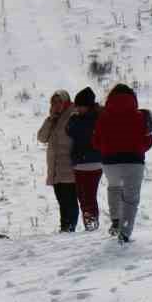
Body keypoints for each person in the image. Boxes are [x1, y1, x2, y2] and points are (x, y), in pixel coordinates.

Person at [91, 83, 152, 243]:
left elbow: (96, 142)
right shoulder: (141, 116)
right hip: (134, 161)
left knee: (114, 187)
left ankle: (116, 220)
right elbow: (148, 141)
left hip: (110, 162)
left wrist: (108, 148)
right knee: (130, 198)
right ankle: (124, 231)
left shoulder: (103, 116)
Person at [37, 90, 78, 232]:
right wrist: (51, 119)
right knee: (62, 201)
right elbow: (42, 138)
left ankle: (69, 228)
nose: (56, 105)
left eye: (59, 101)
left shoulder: (73, 115)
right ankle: (65, 228)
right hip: (56, 169)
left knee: (70, 201)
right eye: (53, 102)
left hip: (70, 167)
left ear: (66, 101)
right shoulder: (54, 119)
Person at [65, 87, 103, 231]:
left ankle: (91, 222)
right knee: (84, 196)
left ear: (87, 105)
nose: (78, 109)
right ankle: (90, 222)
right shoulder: (97, 116)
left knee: (87, 196)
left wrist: (74, 119)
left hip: (89, 162)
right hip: (85, 162)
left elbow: (70, 130)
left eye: (80, 106)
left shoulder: (85, 119)